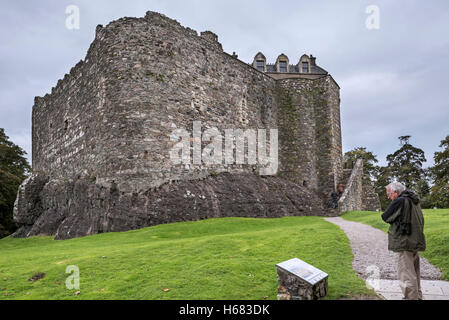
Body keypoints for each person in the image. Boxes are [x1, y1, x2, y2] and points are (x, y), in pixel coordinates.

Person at [381, 181, 426, 300]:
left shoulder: (400, 201)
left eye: (389, 194)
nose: (389, 197)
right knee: (414, 273)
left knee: (406, 274)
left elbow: (385, 216)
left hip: (404, 242)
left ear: (396, 192)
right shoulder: (414, 200)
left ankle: (411, 298)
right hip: (415, 240)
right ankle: (417, 297)